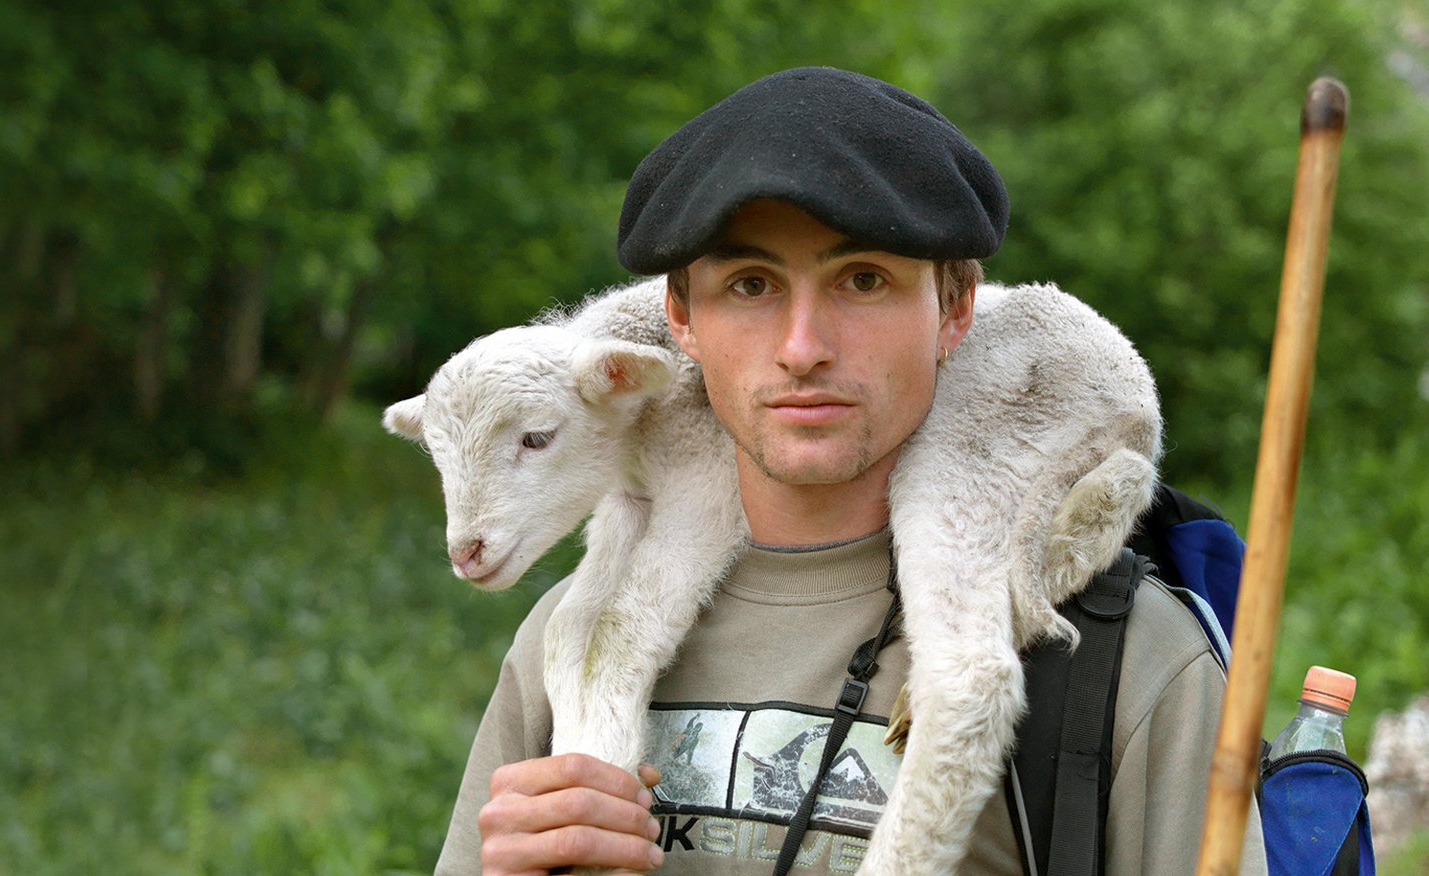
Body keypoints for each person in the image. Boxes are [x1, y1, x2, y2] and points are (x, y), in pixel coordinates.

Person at [435, 67, 1265, 875]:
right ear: (680, 319)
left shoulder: (1132, 664)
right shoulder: (564, 643)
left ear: (955, 309)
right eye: (751, 284)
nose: (803, 349)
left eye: (863, 280)